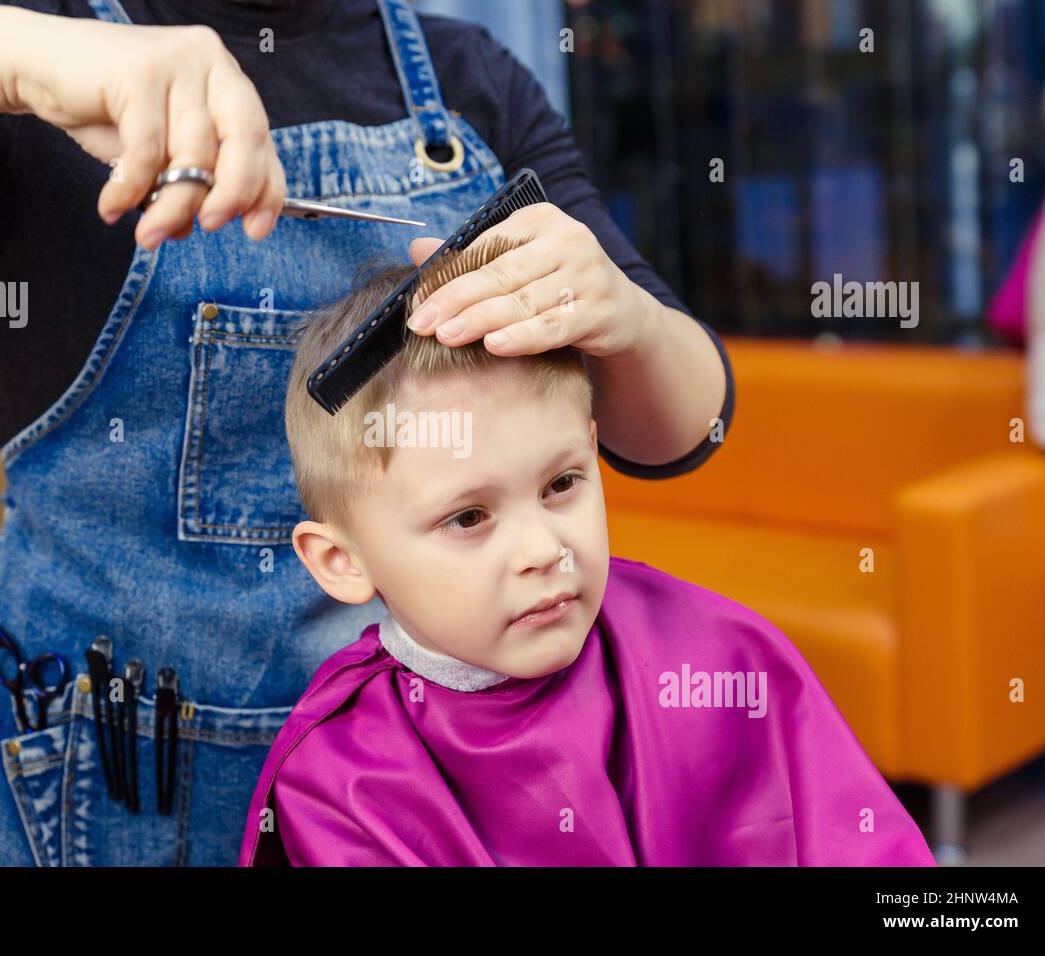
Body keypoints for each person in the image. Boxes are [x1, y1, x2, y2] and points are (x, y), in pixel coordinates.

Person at [0, 0, 732, 865]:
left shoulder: (468, 77)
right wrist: (28, 62)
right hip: (104, 774)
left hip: (409, 786)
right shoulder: (26, 43)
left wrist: (625, 316)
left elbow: (684, 427)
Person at [240, 249, 934, 866]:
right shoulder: (341, 781)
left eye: (562, 484)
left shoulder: (720, 659)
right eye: (469, 517)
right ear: (341, 562)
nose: (545, 551)